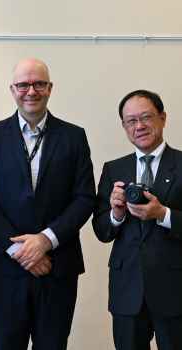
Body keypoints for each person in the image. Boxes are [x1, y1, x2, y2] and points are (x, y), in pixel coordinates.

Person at [0, 58, 95, 350]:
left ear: (50, 88)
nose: (31, 91)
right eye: (23, 84)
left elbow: (85, 197)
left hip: (58, 265)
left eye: (39, 83)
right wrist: (20, 250)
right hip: (7, 270)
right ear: (12, 90)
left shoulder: (74, 136)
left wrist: (45, 241)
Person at [93, 90, 182, 350]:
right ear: (123, 126)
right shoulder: (113, 168)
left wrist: (163, 214)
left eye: (146, 117)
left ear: (163, 118)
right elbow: (101, 230)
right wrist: (116, 215)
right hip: (126, 290)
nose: (139, 126)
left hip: (175, 289)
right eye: (131, 121)